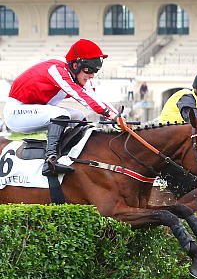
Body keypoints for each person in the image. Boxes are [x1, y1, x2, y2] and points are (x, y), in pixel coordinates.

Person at [3, 38, 117, 176]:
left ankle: (73, 155)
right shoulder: (56, 69)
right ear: (75, 65)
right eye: (89, 70)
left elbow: (95, 97)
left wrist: (118, 116)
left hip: (34, 109)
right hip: (16, 113)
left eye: (95, 71)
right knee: (60, 114)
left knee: (79, 116)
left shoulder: (77, 74)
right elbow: (80, 96)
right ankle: (50, 161)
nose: (92, 75)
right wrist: (108, 114)